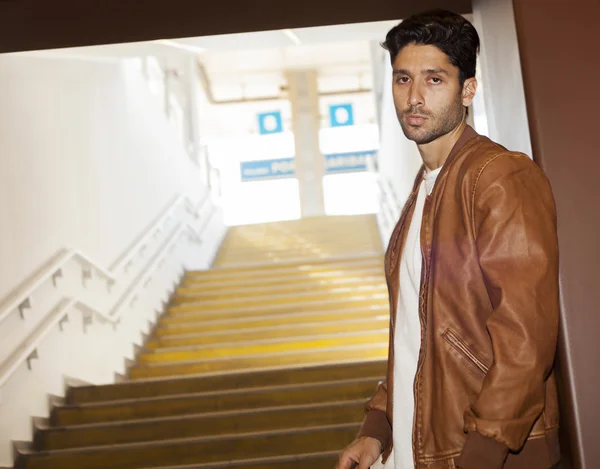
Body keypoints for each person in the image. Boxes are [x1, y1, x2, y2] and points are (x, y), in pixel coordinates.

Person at [336, 9, 560, 469]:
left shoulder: (498, 176)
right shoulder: (424, 189)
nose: (414, 97)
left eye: (434, 80)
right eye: (403, 79)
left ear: (468, 89)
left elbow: (526, 335)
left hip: (476, 452)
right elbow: (417, 338)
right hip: (420, 448)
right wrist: (378, 430)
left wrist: (483, 452)